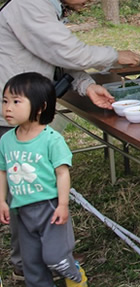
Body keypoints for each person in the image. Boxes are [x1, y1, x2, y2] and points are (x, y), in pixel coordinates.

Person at [0, 0, 140, 280]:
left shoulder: (46, 4)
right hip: (10, 113)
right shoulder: (31, 5)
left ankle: (38, 261)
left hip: (26, 109)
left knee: (31, 190)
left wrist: (87, 85)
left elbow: (57, 59)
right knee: (30, 192)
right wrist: (115, 55)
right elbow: (66, 50)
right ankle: (34, 266)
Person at [0, 72, 88, 287]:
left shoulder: (51, 140)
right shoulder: (6, 140)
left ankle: (74, 273)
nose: (7, 107)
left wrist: (63, 204)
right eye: (5, 101)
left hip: (49, 208)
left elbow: (62, 173)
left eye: (16, 101)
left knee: (54, 258)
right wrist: (2, 200)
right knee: (32, 265)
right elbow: (3, 171)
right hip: (22, 211)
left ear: (40, 107)